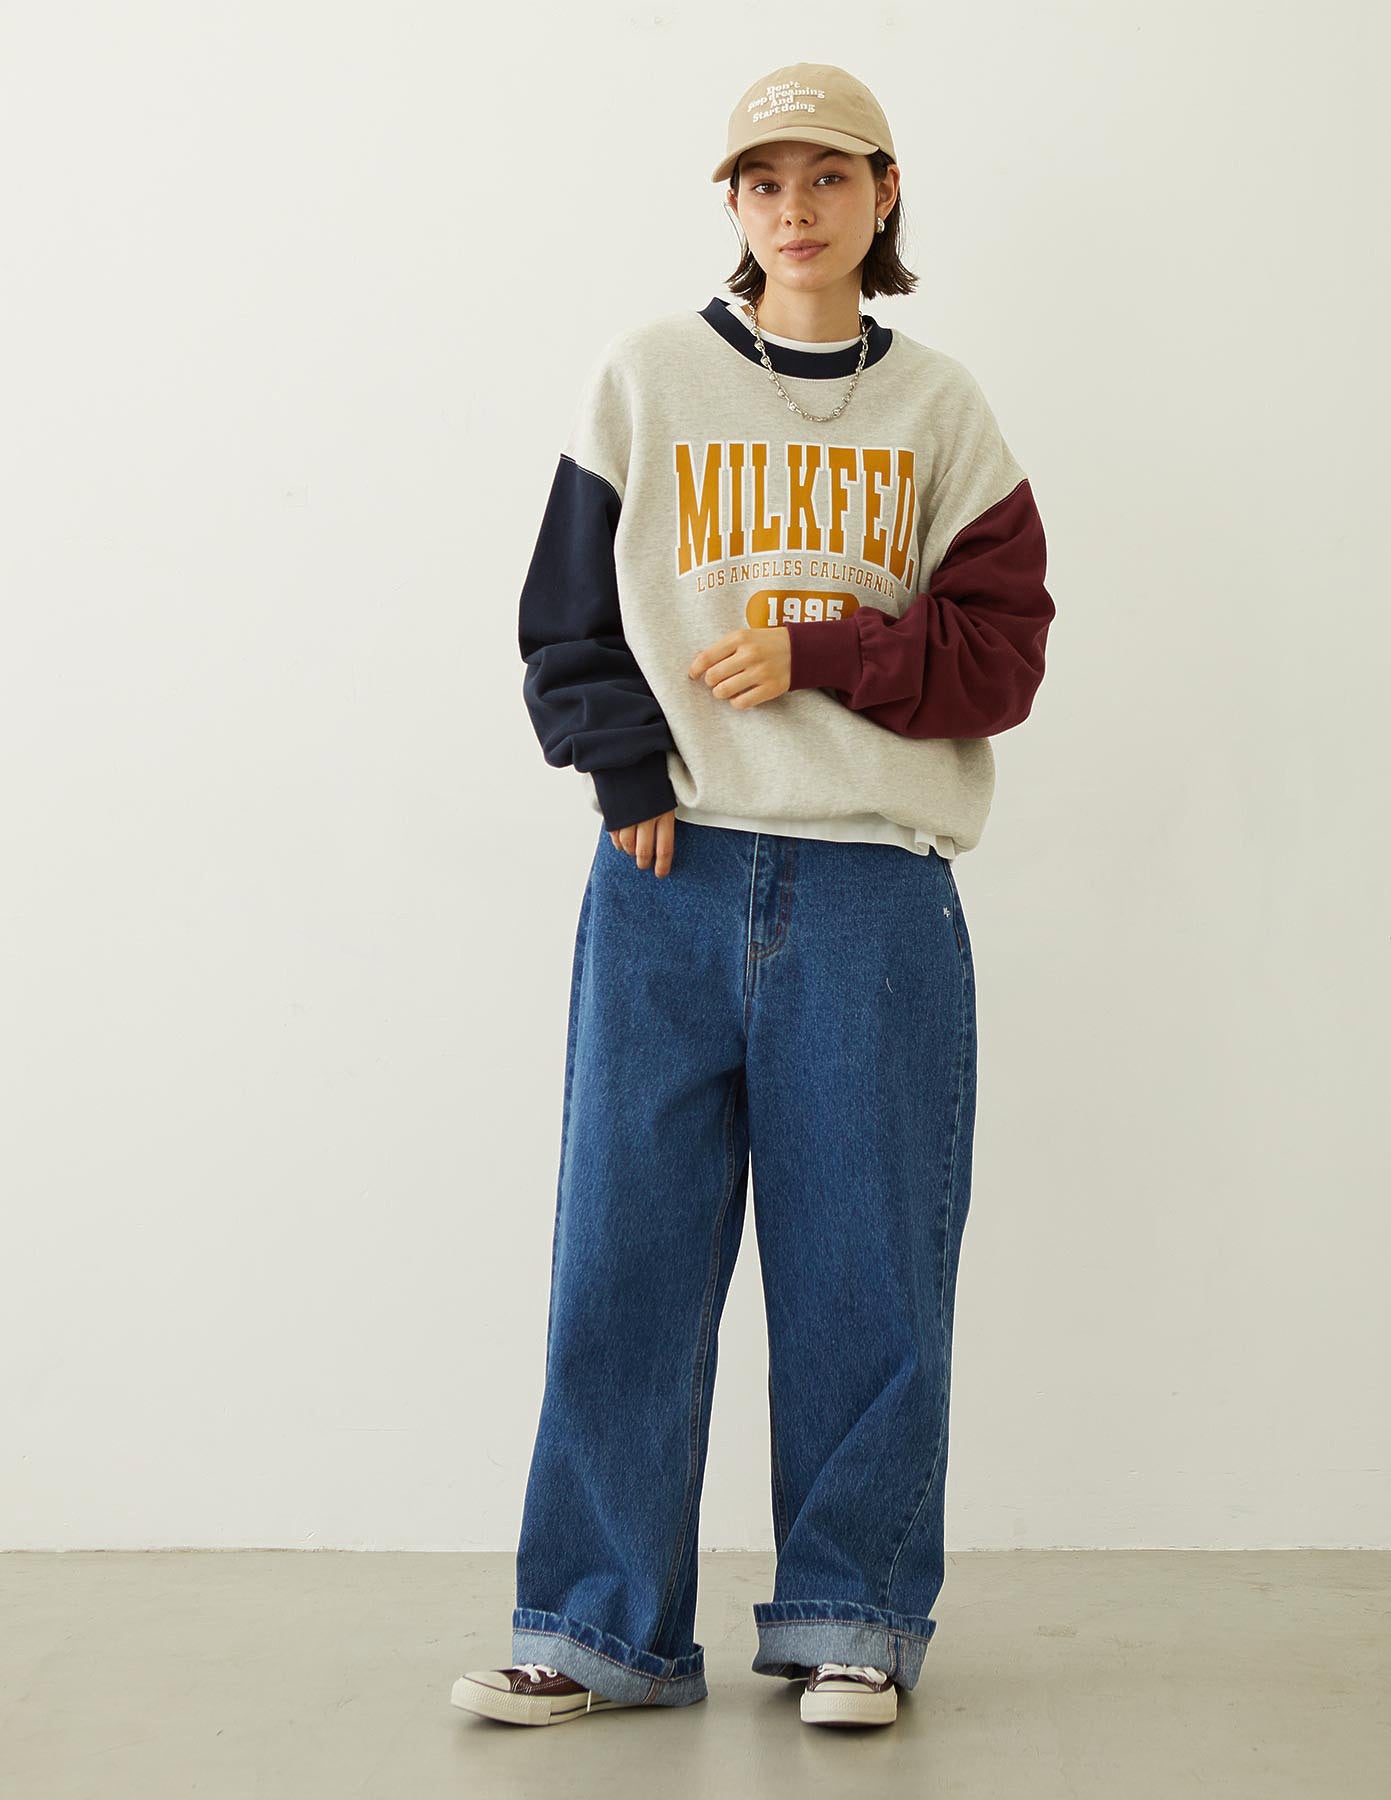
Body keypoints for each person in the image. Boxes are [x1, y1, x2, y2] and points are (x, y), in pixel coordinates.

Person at [451, 60, 1055, 1733]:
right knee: (624, 1261)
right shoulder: (646, 379)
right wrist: (626, 776)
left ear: (883, 194)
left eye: (829, 177)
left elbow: (1003, 658)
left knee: (868, 1269)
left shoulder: (941, 412)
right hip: (669, 877)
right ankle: (597, 1633)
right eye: (763, 181)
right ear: (731, 202)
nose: (796, 208)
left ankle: (854, 1619)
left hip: (874, 886)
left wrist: (821, 652)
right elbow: (566, 615)